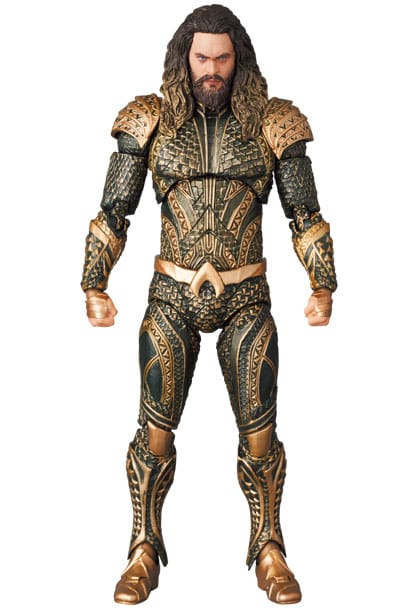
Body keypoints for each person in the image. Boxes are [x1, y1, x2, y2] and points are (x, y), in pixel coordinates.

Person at [81, 4, 337, 605]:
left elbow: (305, 213)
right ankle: (143, 548)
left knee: (260, 430)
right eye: (203, 58)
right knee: (155, 430)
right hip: (171, 296)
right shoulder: (149, 121)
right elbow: (115, 208)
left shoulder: (274, 124)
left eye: (223, 59)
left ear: (238, 60)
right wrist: (94, 281)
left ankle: (269, 547)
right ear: (185, 59)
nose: (213, 70)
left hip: (246, 295)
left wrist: (322, 282)